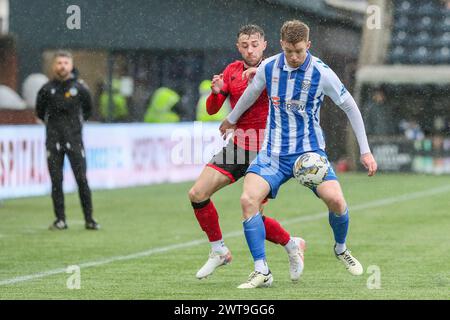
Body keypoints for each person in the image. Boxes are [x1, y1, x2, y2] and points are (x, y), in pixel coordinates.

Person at [220, 20, 378, 289]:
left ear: (309, 45)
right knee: (248, 200)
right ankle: (262, 271)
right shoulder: (269, 67)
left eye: (300, 51)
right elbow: (250, 94)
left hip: (309, 154)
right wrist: (232, 118)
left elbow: (350, 107)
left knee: (337, 202)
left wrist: (365, 151)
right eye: (290, 51)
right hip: (273, 153)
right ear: (282, 45)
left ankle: (340, 248)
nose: (294, 57)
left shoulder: (321, 73)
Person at [188, 24, 306, 282]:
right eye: (244, 45)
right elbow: (211, 109)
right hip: (239, 146)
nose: (250, 50)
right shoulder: (231, 71)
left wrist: (262, 80)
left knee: (253, 215)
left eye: (255, 45)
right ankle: (219, 250)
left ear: (264, 44)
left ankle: (289, 246)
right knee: (197, 194)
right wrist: (216, 92)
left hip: (266, 151)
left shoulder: (277, 67)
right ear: (238, 46)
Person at [36, 50, 100, 230]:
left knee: (82, 180)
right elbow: (40, 113)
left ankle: (89, 219)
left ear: (71, 65)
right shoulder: (46, 89)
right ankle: (60, 220)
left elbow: (88, 111)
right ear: (54, 66)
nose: (62, 66)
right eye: (59, 63)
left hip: (75, 141)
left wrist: (72, 129)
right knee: (56, 182)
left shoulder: (80, 88)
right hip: (53, 141)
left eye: (65, 63)